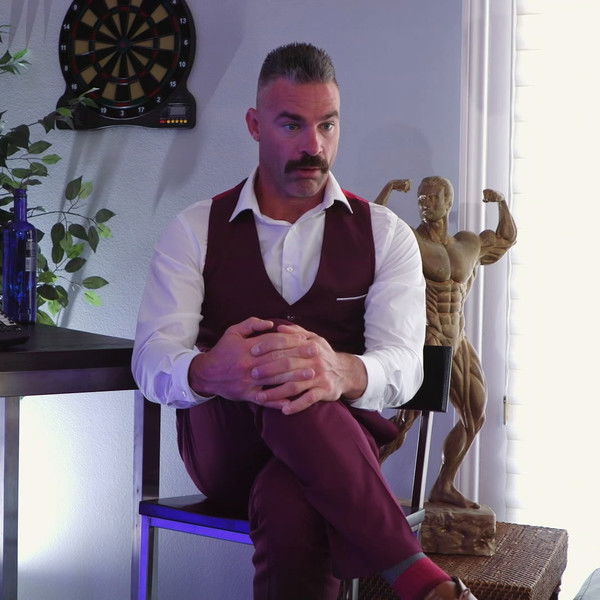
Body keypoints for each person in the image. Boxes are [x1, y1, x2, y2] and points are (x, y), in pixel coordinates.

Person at [132, 43, 478, 600]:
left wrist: (338, 370)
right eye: (292, 125)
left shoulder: (384, 234)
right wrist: (209, 370)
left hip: (338, 456)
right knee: (284, 369)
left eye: (327, 126)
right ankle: (419, 579)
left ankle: (420, 582)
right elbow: (151, 359)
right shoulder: (194, 230)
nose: (313, 146)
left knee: (293, 499)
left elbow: (405, 365)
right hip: (227, 451)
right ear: (255, 124)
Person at [376, 176, 517, 508]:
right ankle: (364, 481)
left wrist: (501, 204)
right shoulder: (411, 240)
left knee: (475, 414)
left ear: (448, 202)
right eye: (421, 198)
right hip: (428, 338)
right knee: (405, 421)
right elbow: (373, 227)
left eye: (433, 197)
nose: (426, 202)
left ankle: (444, 485)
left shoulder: (468, 243)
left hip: (458, 339)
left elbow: (505, 238)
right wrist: (388, 190)